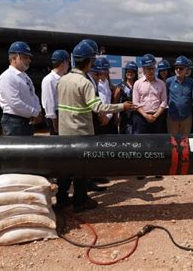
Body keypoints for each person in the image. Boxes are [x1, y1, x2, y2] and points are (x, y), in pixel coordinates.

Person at [56, 41, 136, 212]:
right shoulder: (85, 83)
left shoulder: (63, 80)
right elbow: (98, 107)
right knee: (81, 170)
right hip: (81, 134)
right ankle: (80, 201)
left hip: (64, 134)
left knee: (65, 168)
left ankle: (62, 200)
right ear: (89, 61)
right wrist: (122, 107)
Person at [0, 41, 42, 136]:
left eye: (29, 58)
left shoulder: (25, 76)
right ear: (14, 58)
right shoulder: (7, 77)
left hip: (26, 121)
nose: (29, 60)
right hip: (14, 123)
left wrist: (37, 111)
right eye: (25, 57)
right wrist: (34, 112)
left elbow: (33, 96)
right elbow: (15, 102)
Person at [132, 53, 168, 134]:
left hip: (157, 118)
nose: (151, 71)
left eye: (153, 68)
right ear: (143, 69)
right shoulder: (137, 83)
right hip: (141, 118)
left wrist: (155, 116)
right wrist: (146, 116)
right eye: (149, 68)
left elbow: (164, 102)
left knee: (157, 143)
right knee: (141, 142)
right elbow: (136, 103)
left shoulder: (161, 83)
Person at [41, 49, 70, 135]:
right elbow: (48, 102)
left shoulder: (65, 78)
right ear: (62, 64)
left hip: (64, 113)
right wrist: (54, 122)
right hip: (55, 116)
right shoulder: (49, 80)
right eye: (67, 63)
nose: (68, 66)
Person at [165, 56, 193, 135]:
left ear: (186, 69)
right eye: (176, 68)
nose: (178, 70)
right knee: (173, 141)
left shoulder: (191, 82)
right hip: (172, 117)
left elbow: (192, 98)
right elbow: (166, 97)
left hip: (186, 117)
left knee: (184, 141)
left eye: (181, 68)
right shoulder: (169, 81)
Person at [113, 61, 138, 134]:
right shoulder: (120, 87)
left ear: (135, 73)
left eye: (132, 71)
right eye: (128, 71)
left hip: (137, 117)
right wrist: (115, 117)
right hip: (125, 119)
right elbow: (115, 102)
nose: (130, 73)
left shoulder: (139, 85)